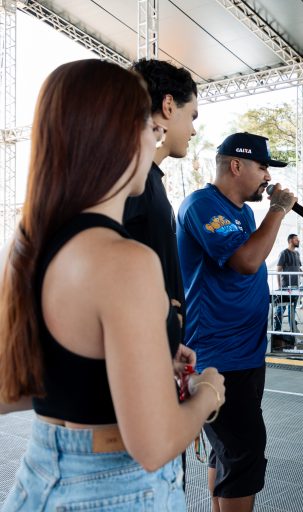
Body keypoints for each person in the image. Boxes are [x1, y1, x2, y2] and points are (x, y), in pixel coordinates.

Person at [0, 59, 224, 511]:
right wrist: (208, 395)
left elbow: (14, 389)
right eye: (148, 127)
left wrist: (145, 360)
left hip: (39, 482)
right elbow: (154, 444)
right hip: (118, 489)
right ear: (116, 134)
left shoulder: (25, 247)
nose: (154, 138)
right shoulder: (126, 261)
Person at [177, 132, 296, 512]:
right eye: (262, 167)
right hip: (217, 355)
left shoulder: (242, 212)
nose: (267, 176)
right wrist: (277, 210)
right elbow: (246, 261)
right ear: (236, 166)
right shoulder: (202, 206)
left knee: (228, 452)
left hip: (245, 353)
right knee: (244, 451)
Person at [125, 59, 198, 335]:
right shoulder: (133, 182)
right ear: (169, 105)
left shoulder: (150, 181)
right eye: (192, 116)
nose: (193, 130)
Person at [273, 233, 302, 349]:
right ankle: (276, 334)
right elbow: (278, 270)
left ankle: (293, 335)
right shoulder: (284, 253)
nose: (298, 241)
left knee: (292, 312)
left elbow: (298, 268)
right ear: (290, 240)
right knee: (280, 310)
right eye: (296, 239)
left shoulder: (297, 254)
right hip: (285, 288)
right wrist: (280, 287)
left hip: (296, 287)